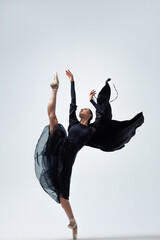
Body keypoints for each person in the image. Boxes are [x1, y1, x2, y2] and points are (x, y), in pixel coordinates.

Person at [34, 70, 144, 239]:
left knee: (63, 196)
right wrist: (72, 82)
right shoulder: (73, 122)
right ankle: (54, 88)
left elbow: (102, 113)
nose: (82, 109)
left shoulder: (93, 129)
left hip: (67, 158)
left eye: (86, 109)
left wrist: (92, 101)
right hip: (58, 147)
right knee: (53, 118)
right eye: (82, 108)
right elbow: (73, 102)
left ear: (90, 116)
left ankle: (73, 223)